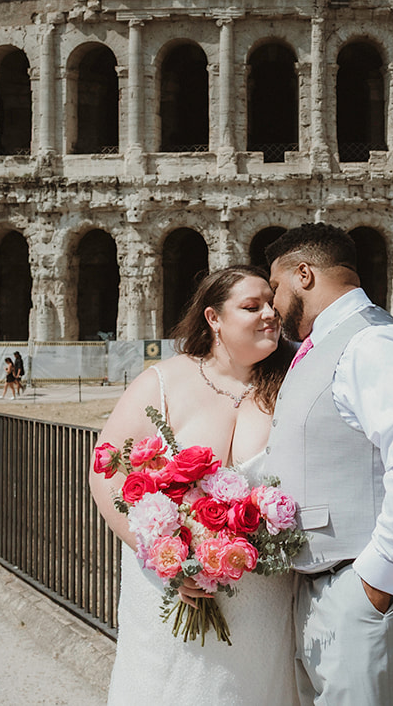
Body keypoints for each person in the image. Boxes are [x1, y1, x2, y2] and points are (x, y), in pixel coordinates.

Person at [89, 266, 299, 706]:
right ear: (213, 318)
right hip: (170, 590)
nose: (269, 315)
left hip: (263, 596)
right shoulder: (162, 383)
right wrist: (166, 559)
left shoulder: (294, 380)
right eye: (251, 306)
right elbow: (105, 470)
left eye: (272, 306)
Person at [264, 223, 393, 706]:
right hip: (330, 584)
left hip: (360, 587)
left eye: (276, 288)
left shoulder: (372, 343)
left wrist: (378, 581)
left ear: (303, 274)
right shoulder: (327, 343)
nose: (272, 305)